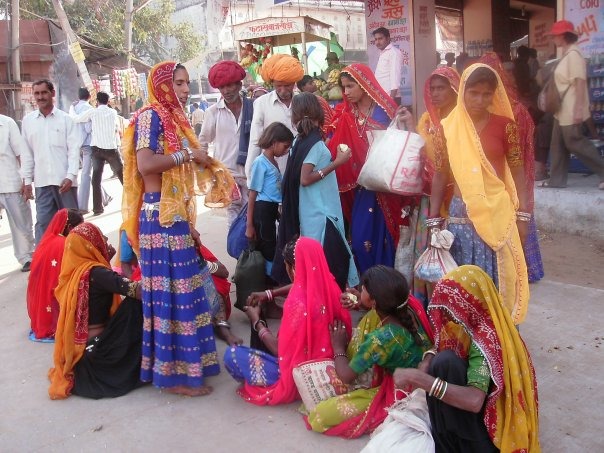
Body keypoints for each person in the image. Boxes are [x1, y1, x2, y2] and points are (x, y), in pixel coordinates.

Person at [121, 61, 221, 397]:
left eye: (186, 83)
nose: (184, 90)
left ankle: (187, 368)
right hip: (158, 218)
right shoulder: (151, 116)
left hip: (172, 215)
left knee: (185, 293)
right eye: (178, 83)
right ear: (163, 85)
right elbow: (147, 163)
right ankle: (173, 376)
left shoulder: (171, 119)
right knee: (170, 297)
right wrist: (187, 155)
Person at [391, 266, 540, 452]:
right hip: (481, 420)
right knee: (441, 361)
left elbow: (474, 401)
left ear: (466, 304)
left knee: (445, 364)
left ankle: (456, 445)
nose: (448, 316)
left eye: (451, 308)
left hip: (490, 442)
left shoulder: (487, 339)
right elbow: (440, 344)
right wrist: (427, 359)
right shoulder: (477, 321)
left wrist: (422, 380)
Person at [429, 64, 530, 325]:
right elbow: (440, 175)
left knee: (498, 275)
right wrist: (432, 222)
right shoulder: (447, 128)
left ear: (494, 95)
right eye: (473, 93)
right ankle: (466, 337)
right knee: (464, 276)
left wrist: (523, 216)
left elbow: (519, 173)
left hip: (497, 212)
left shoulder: (506, 126)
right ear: (462, 91)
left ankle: (498, 335)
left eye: (487, 94)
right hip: (461, 214)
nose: (480, 100)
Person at [306, 266, 433, 438]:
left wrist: (338, 347)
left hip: (401, 391)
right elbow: (376, 309)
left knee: (320, 415)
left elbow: (346, 376)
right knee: (371, 317)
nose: (360, 290)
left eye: (364, 289)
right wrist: (361, 301)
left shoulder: (380, 339)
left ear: (375, 302)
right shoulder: (407, 305)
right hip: (418, 372)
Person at [223, 237, 352, 405]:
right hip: (335, 362)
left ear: (292, 268)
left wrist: (257, 320)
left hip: (299, 373)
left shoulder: (297, 303)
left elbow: (279, 350)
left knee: (232, 355)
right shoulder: (330, 284)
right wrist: (270, 293)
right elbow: (304, 281)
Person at [326, 63, 408, 275]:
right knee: (362, 236)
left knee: (387, 236)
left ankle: (387, 283)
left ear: (364, 84)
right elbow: (335, 147)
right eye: (344, 87)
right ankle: (369, 285)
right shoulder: (345, 115)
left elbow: (402, 143)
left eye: (351, 86)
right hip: (362, 185)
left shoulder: (387, 111)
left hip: (386, 186)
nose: (346, 92)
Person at [48, 222, 143, 399]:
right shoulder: (97, 273)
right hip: (101, 352)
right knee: (135, 305)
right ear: (90, 244)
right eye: (100, 236)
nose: (106, 239)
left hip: (82, 353)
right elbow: (139, 291)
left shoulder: (72, 272)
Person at [273, 93, 358, 290]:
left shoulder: (301, 141)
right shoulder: (315, 144)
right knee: (328, 264)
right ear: (319, 114)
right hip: (321, 212)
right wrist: (337, 162)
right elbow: (305, 178)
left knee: (315, 265)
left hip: (309, 210)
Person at [480, 52, 544, 283]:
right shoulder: (512, 109)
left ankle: (517, 271)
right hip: (508, 172)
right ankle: (524, 270)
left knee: (519, 218)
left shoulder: (512, 112)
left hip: (511, 171)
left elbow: (519, 148)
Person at [413, 66, 460, 305]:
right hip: (431, 196)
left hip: (457, 196)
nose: (435, 93)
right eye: (432, 88)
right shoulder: (426, 120)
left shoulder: (462, 121)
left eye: (441, 88)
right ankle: (433, 305)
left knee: (454, 250)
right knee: (432, 252)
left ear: (454, 90)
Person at [544, 20, 604, 190]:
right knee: (558, 145)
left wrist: (578, 109)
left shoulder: (574, 55)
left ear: (563, 36)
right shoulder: (567, 55)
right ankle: (556, 180)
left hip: (570, 109)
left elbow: (579, 83)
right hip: (561, 110)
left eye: (555, 35)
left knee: (575, 142)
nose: (553, 39)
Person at [20, 79, 80, 243]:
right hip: (42, 183)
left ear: (52, 93)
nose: (40, 97)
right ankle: (43, 262)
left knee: (71, 224)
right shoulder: (28, 121)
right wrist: (26, 181)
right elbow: (26, 154)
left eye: (44, 92)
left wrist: (71, 175)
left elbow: (74, 151)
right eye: (37, 93)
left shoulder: (66, 120)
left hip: (65, 183)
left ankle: (75, 261)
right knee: (44, 224)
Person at [200, 61, 252, 226]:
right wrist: (209, 169)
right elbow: (202, 143)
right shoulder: (212, 112)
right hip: (228, 177)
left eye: (230, 85)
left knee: (255, 221)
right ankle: (239, 252)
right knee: (234, 222)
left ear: (239, 84)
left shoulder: (254, 107)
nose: (226, 91)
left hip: (253, 174)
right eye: (222, 87)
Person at [27, 209, 83, 341]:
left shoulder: (47, 241)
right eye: (80, 227)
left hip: (40, 307)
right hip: (54, 302)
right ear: (70, 228)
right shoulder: (65, 244)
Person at [246, 122, 294, 277]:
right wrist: (249, 224)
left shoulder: (272, 162)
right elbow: (252, 194)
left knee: (271, 242)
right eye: (285, 146)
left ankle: (271, 277)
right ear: (274, 143)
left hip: (271, 209)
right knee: (267, 245)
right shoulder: (260, 163)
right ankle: (269, 277)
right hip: (263, 209)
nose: (287, 150)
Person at [245, 54, 304, 178]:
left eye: (287, 85)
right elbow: (256, 140)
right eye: (278, 86)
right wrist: (250, 175)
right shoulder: (261, 103)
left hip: (302, 170)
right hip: (273, 173)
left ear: (294, 83)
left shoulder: (303, 102)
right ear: (272, 83)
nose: (282, 90)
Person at [72, 91, 123, 216]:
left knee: (96, 179)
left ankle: (97, 208)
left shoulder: (93, 112)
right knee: (123, 176)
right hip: (111, 149)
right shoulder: (113, 112)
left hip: (97, 150)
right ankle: (133, 201)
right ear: (108, 101)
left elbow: (76, 119)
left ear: (97, 101)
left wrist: (72, 108)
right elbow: (116, 127)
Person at [0, 113, 35, 272]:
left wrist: (25, 181)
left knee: (21, 224)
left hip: (11, 183)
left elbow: (21, 154)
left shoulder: (7, 123)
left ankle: (27, 257)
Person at [69, 88, 94, 214]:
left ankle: (104, 198)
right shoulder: (89, 109)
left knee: (83, 173)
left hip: (75, 144)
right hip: (87, 144)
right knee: (86, 174)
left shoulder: (72, 108)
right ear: (89, 96)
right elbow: (89, 129)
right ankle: (83, 206)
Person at [372, 27, 403, 103]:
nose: (377, 42)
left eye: (380, 39)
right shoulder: (383, 53)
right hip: (382, 97)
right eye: (376, 39)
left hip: (390, 97)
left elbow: (395, 76)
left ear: (388, 39)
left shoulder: (394, 53)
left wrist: (391, 100)